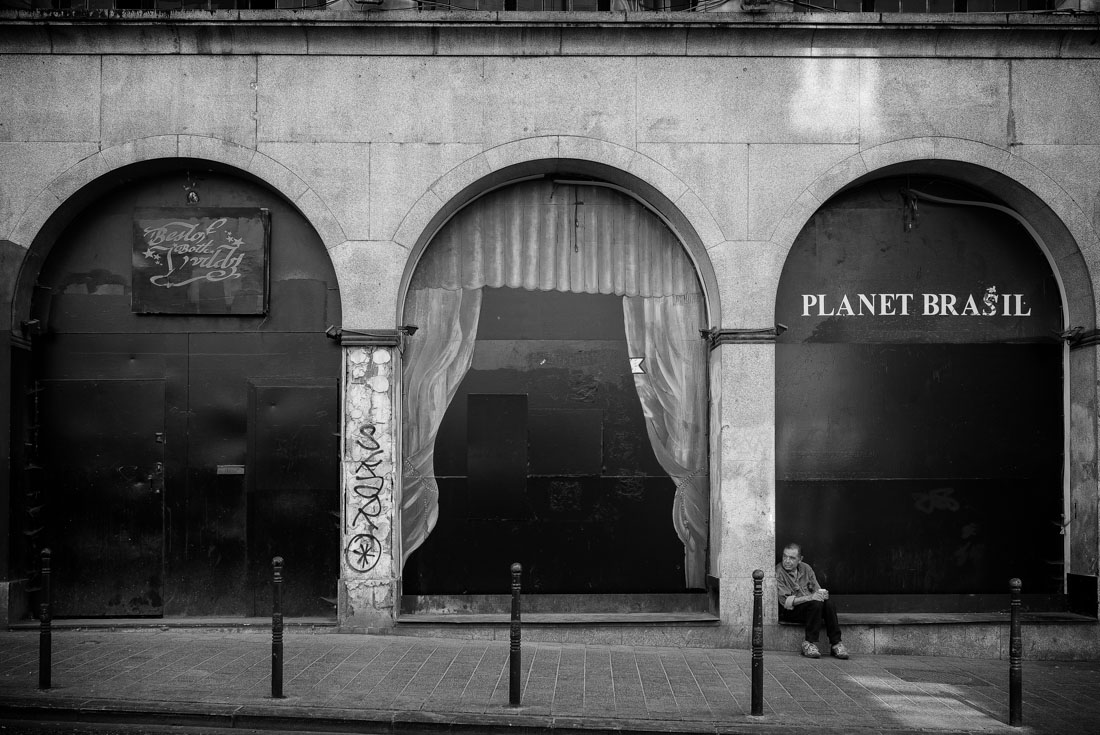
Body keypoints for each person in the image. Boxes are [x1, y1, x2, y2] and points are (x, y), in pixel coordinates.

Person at [775, 542, 849, 660]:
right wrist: (810, 597)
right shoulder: (779, 572)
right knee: (815, 603)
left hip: (812, 609)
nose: (787, 561)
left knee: (829, 603)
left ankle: (836, 643)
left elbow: (817, 590)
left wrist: (822, 594)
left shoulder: (806, 568)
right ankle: (809, 643)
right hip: (791, 611)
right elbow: (786, 602)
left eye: (792, 558)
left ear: (800, 559)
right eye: (785, 556)